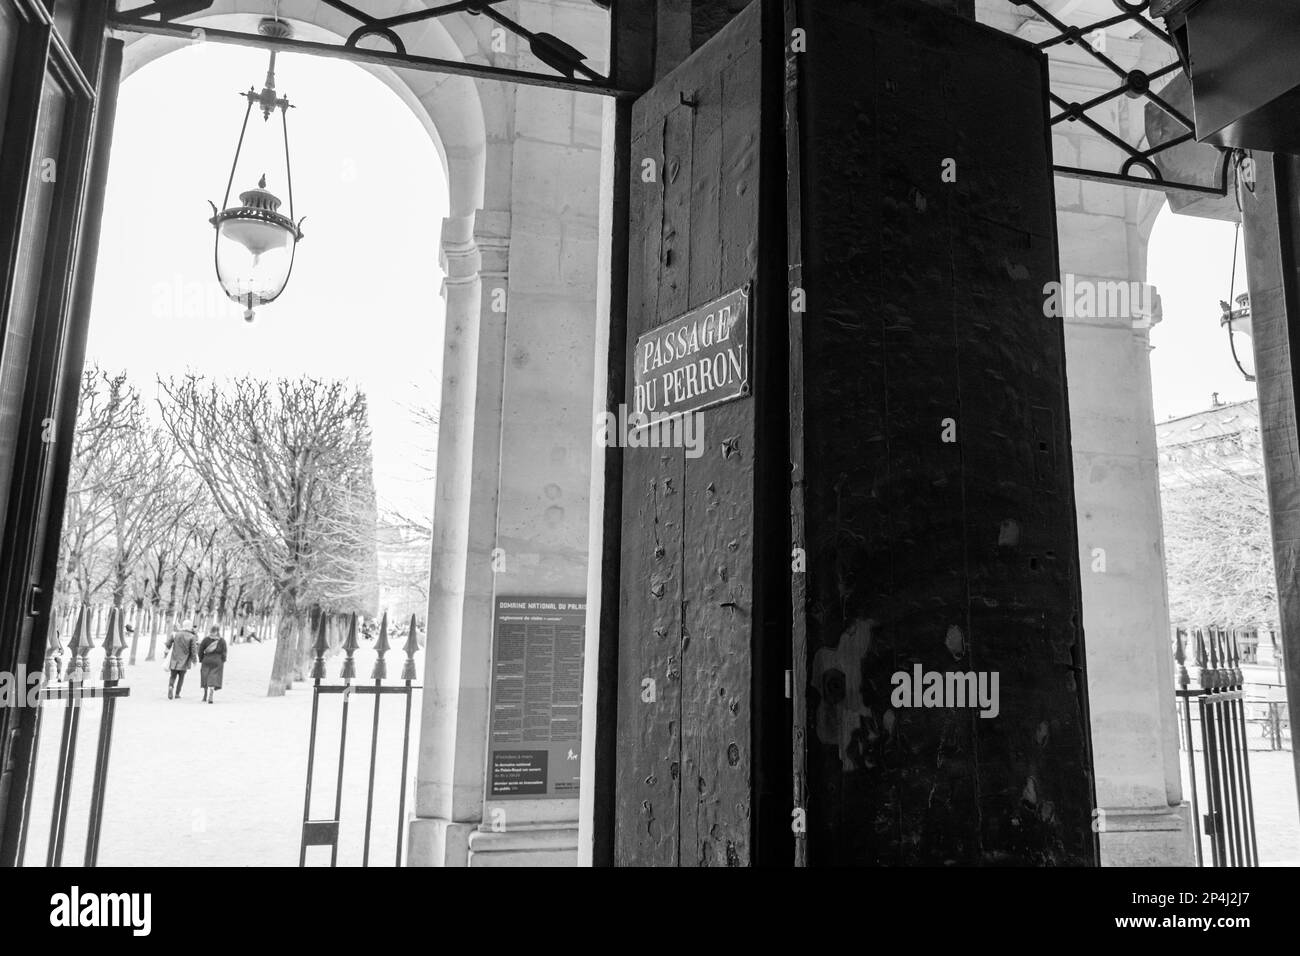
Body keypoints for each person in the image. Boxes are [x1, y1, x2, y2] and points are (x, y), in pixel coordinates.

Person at [164, 619, 197, 699]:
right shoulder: (192, 637)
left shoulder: (175, 634)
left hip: (174, 659)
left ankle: (171, 687)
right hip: (184, 661)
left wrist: (170, 647)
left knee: (172, 676)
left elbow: (168, 644)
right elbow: (193, 650)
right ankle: (177, 694)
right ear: (189, 627)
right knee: (181, 678)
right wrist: (194, 660)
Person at [198, 625, 228, 704]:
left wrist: (201, 659)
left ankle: (205, 695)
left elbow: (200, 650)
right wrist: (223, 660)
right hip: (217, 660)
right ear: (218, 631)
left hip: (206, 660)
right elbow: (224, 652)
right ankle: (211, 690)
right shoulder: (222, 641)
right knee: (213, 676)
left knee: (205, 676)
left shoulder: (205, 640)